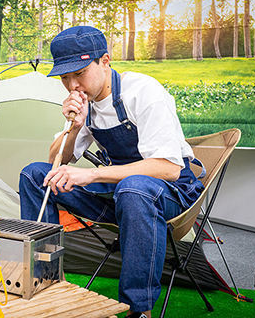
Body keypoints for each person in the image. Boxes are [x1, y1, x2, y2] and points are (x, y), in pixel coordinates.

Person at [19, 26, 204, 318]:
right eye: (64, 78)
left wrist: (93, 175)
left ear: (105, 61)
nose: (72, 85)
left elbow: (168, 168)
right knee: (35, 176)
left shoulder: (144, 91)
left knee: (134, 188)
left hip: (168, 195)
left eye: (78, 73)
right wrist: (76, 125)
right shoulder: (84, 104)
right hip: (120, 194)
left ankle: (137, 309)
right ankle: (43, 280)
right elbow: (56, 160)